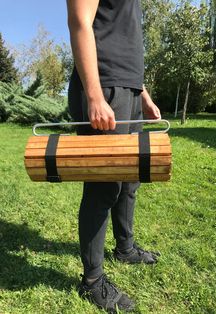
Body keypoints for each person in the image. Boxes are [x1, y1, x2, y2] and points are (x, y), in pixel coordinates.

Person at [66, 0, 161, 312]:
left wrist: (142, 94)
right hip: (104, 86)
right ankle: (92, 281)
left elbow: (121, 36)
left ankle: (125, 248)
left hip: (128, 89)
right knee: (104, 184)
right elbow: (80, 21)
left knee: (129, 177)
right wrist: (93, 94)